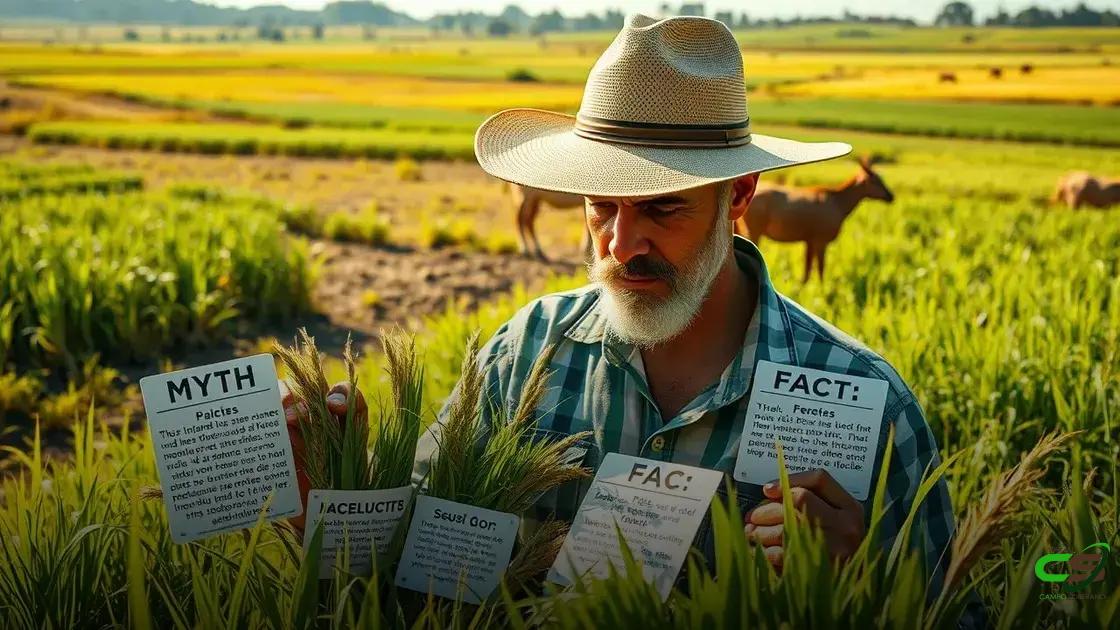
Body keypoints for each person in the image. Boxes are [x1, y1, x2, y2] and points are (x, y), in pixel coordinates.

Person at [284, 13, 956, 599]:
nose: (622, 243)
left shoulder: (868, 404)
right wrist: (328, 494)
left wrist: (859, 581)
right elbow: (415, 571)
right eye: (601, 205)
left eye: (663, 207)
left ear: (741, 194)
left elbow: (952, 609)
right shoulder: (524, 355)